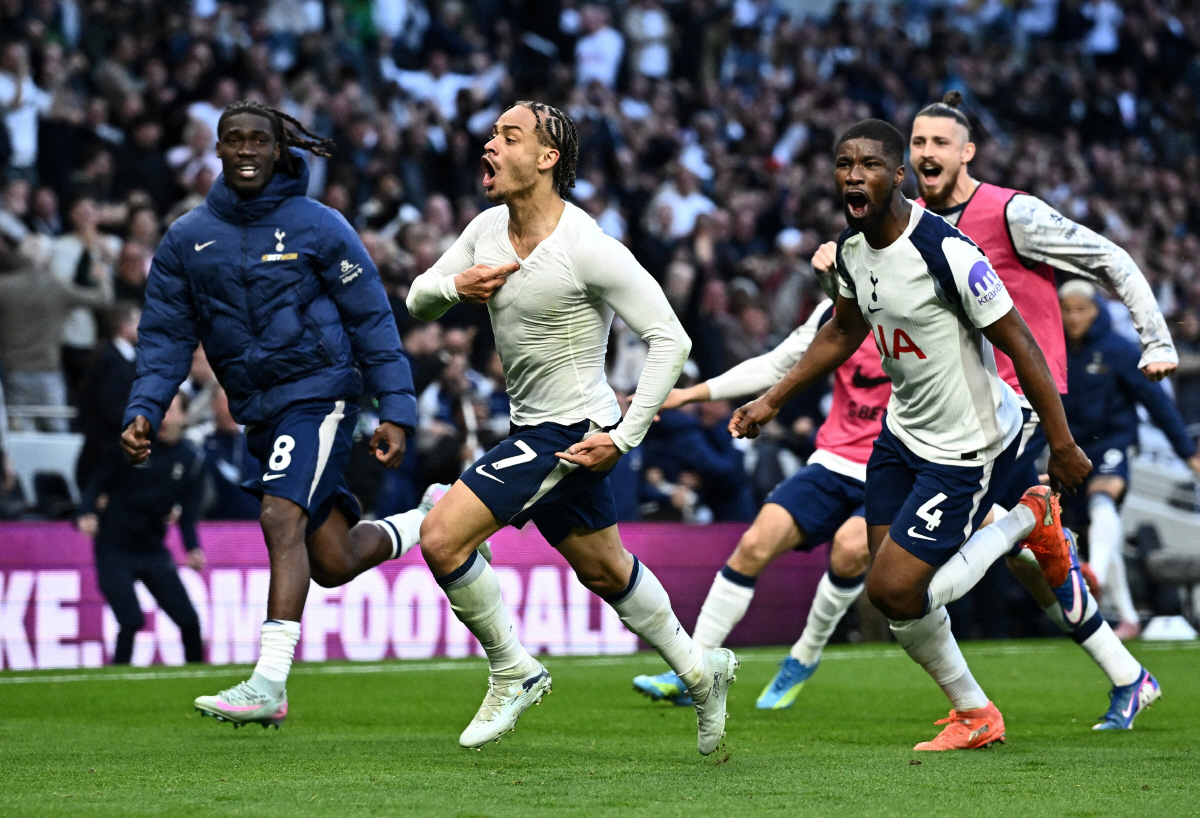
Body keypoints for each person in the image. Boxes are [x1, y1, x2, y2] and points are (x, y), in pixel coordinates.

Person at [732, 120, 1091, 750]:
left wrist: (1060, 443)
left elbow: (1023, 345)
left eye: (869, 163)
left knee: (896, 589)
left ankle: (1025, 518)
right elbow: (842, 333)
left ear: (898, 175)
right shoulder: (850, 249)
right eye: (844, 163)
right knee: (895, 592)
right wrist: (770, 399)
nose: (852, 173)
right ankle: (975, 712)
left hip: (967, 445)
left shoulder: (946, 252)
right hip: (902, 437)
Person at [406, 101, 736, 755]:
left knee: (441, 537)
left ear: (547, 158)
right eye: (492, 135)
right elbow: (417, 295)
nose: (491, 146)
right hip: (539, 426)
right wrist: (455, 286)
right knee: (607, 572)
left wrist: (625, 435)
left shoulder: (586, 247)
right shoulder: (485, 230)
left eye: (509, 136)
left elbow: (670, 338)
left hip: (573, 431)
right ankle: (701, 673)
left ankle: (513, 670)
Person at [120, 101, 445, 729]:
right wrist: (145, 408)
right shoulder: (187, 238)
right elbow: (163, 335)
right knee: (333, 561)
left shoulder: (319, 225)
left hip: (320, 394)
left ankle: (268, 683)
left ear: (277, 151)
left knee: (279, 514)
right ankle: (431, 519)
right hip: (259, 412)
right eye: (233, 140)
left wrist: (396, 408)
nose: (245, 150)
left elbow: (372, 318)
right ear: (216, 150)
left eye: (256, 141)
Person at [899, 91, 1169, 729]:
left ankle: (971, 702)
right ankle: (1129, 675)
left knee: (925, 562)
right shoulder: (906, 222)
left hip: (1017, 407)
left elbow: (1110, 259)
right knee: (1032, 562)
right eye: (918, 143)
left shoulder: (1012, 213)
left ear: (968, 152)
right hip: (950, 410)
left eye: (940, 142)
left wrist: (1155, 337)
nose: (927, 153)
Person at [632, 273, 888, 710]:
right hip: (833, 461)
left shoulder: (924, 315)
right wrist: (686, 395)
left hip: (894, 467)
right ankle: (693, 670)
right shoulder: (835, 314)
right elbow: (774, 365)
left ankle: (803, 657)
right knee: (753, 544)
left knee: (849, 549)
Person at [1060, 281, 1200, 643]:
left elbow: (1157, 402)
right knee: (1097, 526)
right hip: (1073, 450)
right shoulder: (1053, 351)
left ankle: (1096, 580)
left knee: (1102, 498)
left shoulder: (1119, 351)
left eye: (1081, 309)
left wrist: (1188, 453)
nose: (1073, 317)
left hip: (1114, 441)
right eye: (1067, 309)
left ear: (1096, 310)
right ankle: (1126, 618)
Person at [77, 394, 206, 666]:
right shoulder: (133, 445)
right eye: (161, 411)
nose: (165, 418)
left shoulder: (192, 460)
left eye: (171, 411)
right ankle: (117, 677)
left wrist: (193, 548)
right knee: (131, 619)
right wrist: (86, 513)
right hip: (114, 547)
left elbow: (188, 515)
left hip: (152, 550)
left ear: (184, 416)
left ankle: (197, 677)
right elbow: (96, 483)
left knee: (189, 621)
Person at [76, 301, 140, 491]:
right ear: (123, 325)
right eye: (138, 320)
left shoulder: (126, 358)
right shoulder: (111, 359)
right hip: (104, 448)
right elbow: (108, 405)